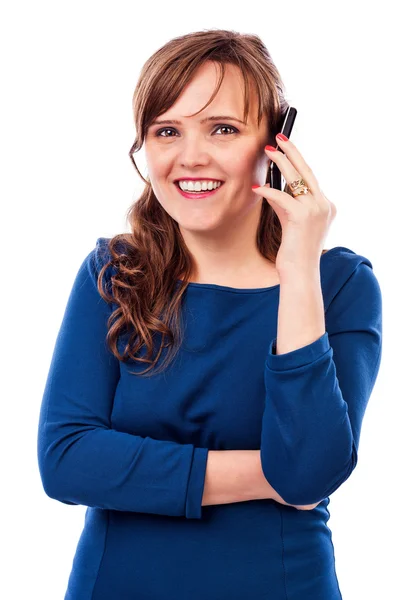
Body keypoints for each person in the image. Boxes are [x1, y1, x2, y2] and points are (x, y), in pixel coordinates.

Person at [37, 29, 382, 599]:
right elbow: (67, 460)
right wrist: (264, 473)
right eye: (167, 131)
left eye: (222, 128)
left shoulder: (337, 284)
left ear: (275, 141)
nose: (190, 156)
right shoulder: (114, 273)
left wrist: (296, 268)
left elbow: (311, 473)